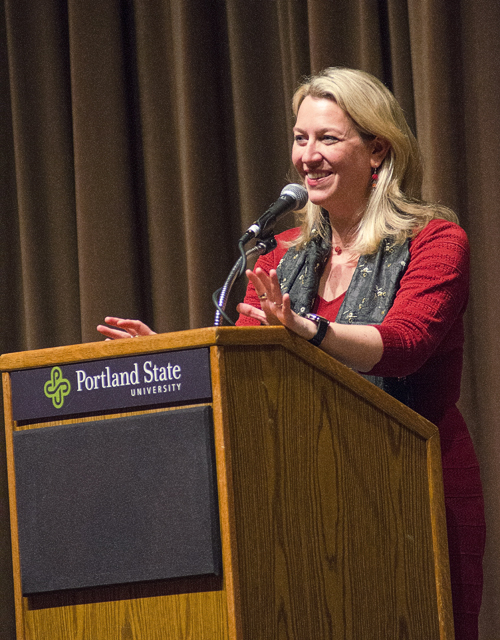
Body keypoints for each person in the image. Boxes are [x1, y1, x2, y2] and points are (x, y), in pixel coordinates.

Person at [98, 67, 485, 639]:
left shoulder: (434, 242)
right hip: (307, 495)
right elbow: (254, 371)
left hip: (414, 487)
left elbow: (403, 346)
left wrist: (308, 331)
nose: (308, 155)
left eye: (328, 138)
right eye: (301, 138)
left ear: (377, 149)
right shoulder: (284, 255)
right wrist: (177, 357)